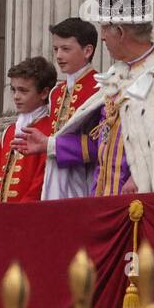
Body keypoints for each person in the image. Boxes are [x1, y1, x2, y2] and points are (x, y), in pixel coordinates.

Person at [19, 0, 154, 196]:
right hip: (101, 196)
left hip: (137, 201)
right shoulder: (114, 77)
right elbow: (97, 144)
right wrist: (49, 145)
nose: (102, 38)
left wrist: (139, 177)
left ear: (120, 32)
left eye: (104, 30)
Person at [40, 17, 101, 200]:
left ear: (87, 50)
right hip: (54, 177)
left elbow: (99, 145)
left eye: (66, 49)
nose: (58, 56)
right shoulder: (56, 92)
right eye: (56, 49)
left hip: (85, 179)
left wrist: (50, 145)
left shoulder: (100, 88)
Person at [0, 56, 57, 203]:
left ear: (44, 93)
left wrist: (21, 212)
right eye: (13, 90)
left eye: (23, 91)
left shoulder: (51, 128)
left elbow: (41, 181)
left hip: (29, 214)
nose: (16, 97)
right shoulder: (9, 131)